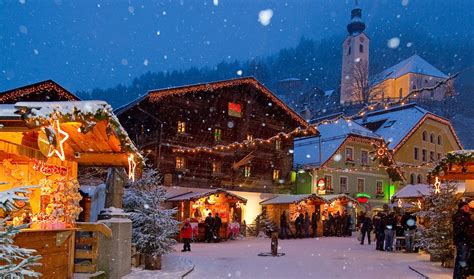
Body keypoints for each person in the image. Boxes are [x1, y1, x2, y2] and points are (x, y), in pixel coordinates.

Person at [452, 201, 473, 279]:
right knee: (462, 259)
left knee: (463, 259)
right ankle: (460, 276)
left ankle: (461, 275)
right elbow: (461, 229)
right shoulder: (460, 216)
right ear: (461, 208)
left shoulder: (466, 216)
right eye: (465, 207)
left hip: (466, 241)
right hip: (463, 241)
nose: (467, 208)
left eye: (468, 206)